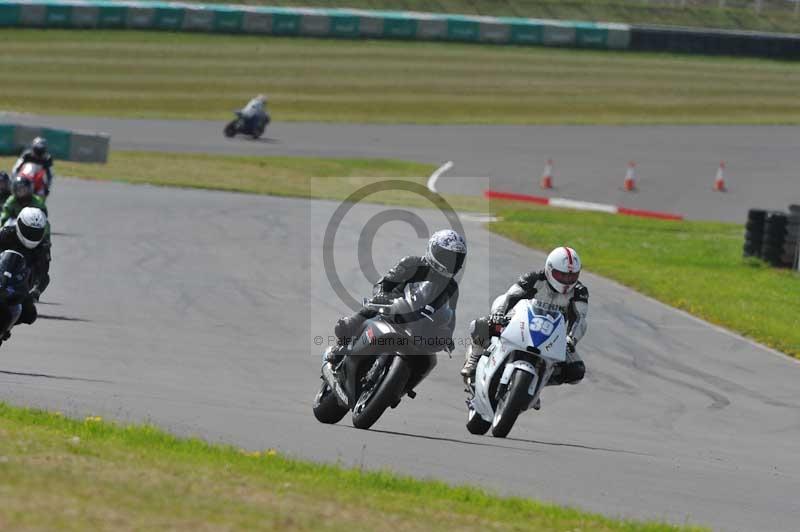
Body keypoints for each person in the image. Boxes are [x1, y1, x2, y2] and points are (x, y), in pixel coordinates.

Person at [461, 246, 589, 398]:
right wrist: (499, 316)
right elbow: (511, 296)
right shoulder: (535, 278)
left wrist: (570, 339)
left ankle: (537, 382)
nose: (567, 280)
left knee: (576, 371)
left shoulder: (580, 291)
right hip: (519, 323)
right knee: (480, 325)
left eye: (571, 276)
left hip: (551, 335)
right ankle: (474, 358)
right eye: (561, 275)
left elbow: (579, 319)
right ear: (549, 269)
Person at [326, 229, 467, 363]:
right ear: (434, 250)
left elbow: (450, 317)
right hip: (392, 307)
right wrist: (381, 295)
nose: (451, 263)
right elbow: (384, 282)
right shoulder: (412, 263)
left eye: (456, 259)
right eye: (447, 257)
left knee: (428, 354)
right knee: (362, 313)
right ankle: (341, 345)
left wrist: (447, 335)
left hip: (422, 322)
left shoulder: (452, 287)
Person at [0, 207, 50, 341]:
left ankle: (5, 330)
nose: (32, 235)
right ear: (19, 224)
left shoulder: (42, 248)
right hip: (1, 277)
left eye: (36, 232)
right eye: (28, 231)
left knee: (29, 314)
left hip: (19, 285)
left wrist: (36, 292)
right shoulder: (6, 234)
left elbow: (44, 275)